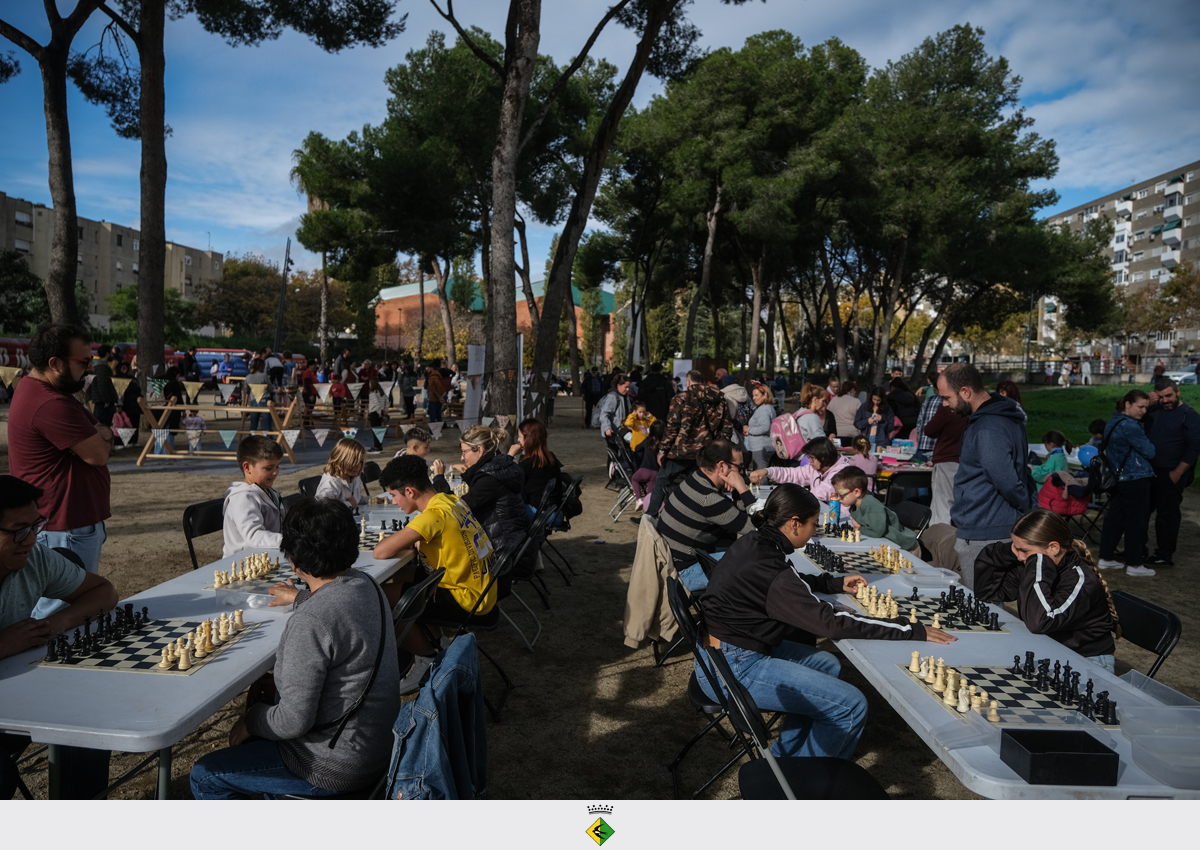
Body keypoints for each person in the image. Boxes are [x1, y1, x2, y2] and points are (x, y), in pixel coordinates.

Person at [695, 484, 953, 760]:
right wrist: (909, 629)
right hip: (732, 668)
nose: (816, 529)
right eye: (813, 523)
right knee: (851, 705)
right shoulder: (769, 564)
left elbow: (786, 585)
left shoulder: (756, 541)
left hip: (720, 653)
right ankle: (802, 783)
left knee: (827, 663)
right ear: (794, 523)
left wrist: (834, 582)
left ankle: (788, 757)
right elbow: (830, 623)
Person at [191, 499, 399, 799]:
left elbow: (292, 722)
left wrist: (251, 719)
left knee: (205, 775)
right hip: (378, 749)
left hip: (332, 767)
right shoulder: (367, 584)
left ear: (294, 563)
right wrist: (302, 598)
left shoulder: (310, 622)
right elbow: (336, 613)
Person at [0, 475, 119, 799]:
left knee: (88, 723)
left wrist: (58, 621)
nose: (30, 539)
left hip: (18, 697)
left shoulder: (34, 558)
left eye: (36, 525)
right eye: (18, 531)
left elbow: (104, 591)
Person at [7, 324, 112, 618]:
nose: (90, 367)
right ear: (55, 363)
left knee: (59, 609)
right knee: (59, 613)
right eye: (83, 362)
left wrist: (99, 433)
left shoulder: (48, 393)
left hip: (66, 522)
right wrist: (102, 434)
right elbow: (98, 453)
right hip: (64, 525)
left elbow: (98, 436)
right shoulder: (49, 402)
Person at [374, 456, 495, 690]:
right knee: (406, 577)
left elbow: (380, 552)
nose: (393, 501)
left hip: (467, 601)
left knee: (381, 598)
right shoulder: (450, 500)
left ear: (409, 491)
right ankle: (437, 644)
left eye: (394, 495)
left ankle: (426, 659)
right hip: (481, 591)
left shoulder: (432, 516)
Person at [975, 509, 1119, 671]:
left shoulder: (1080, 580)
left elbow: (1040, 622)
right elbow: (988, 592)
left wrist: (1038, 564)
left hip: (1087, 659)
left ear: (1053, 548)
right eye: (1016, 548)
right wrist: (1006, 551)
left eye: (1024, 551)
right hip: (1049, 649)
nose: (1019, 557)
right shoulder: (1029, 565)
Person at [937, 363, 1035, 590]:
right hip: (992, 523)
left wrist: (1025, 507)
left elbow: (1006, 480)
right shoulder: (1000, 416)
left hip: (985, 530)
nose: (944, 404)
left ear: (965, 392)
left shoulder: (988, 427)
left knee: (984, 610)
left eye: (947, 397)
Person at [657, 439, 754, 571]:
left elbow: (735, 518)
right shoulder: (709, 499)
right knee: (754, 565)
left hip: (673, 559)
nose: (742, 473)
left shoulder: (695, 478)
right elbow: (756, 528)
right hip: (685, 570)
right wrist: (743, 489)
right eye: (740, 467)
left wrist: (737, 489)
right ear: (722, 466)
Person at [448, 425, 531, 576]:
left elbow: (459, 511)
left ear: (479, 450)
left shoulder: (489, 478)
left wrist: (440, 482)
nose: (462, 457)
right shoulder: (499, 467)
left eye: (464, 452)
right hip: (513, 545)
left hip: (501, 554)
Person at [647, 371, 734, 515]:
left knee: (662, 479)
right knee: (701, 487)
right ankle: (699, 516)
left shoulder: (680, 398)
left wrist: (663, 450)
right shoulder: (719, 400)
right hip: (705, 452)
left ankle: (650, 514)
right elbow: (726, 429)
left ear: (688, 381)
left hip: (681, 451)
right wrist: (720, 453)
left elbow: (672, 427)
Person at [1097, 389, 1157, 577]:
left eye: (1146, 408)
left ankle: (1106, 557)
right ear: (1127, 404)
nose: (1144, 411)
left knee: (1115, 518)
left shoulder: (1112, 423)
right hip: (1135, 477)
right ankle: (1135, 564)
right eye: (1140, 407)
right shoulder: (1130, 426)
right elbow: (1150, 451)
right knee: (1136, 521)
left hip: (1118, 478)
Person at [1142, 378, 1200, 568]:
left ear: (1178, 392)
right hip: (1148, 470)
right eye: (1160, 397)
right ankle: (1138, 549)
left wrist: (1178, 472)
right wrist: (1147, 403)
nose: (1165, 400)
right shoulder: (1153, 409)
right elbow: (1129, 416)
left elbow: (1194, 447)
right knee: (1141, 510)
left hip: (1172, 471)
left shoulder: (1189, 415)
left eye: (1169, 396)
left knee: (1167, 514)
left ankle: (1164, 554)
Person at [222, 436, 286, 557]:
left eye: (277, 466)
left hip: (269, 556)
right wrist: (289, 542)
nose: (275, 472)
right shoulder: (242, 498)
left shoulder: (270, 492)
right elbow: (254, 535)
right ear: (247, 467)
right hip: (241, 565)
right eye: (268, 468)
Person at [830, 467, 918, 555]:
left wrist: (860, 529)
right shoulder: (855, 504)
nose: (838, 498)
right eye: (836, 494)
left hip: (906, 546)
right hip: (889, 543)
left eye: (841, 495)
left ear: (857, 492)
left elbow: (877, 532)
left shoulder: (871, 505)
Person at [750, 437, 853, 503]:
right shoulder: (815, 468)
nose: (809, 461)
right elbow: (793, 474)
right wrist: (768, 471)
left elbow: (821, 493)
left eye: (812, 457)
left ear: (823, 457)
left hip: (841, 519)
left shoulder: (843, 472)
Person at [923, 394, 968, 526]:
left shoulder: (948, 409)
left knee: (942, 505)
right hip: (967, 461)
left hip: (947, 459)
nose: (944, 403)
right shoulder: (974, 408)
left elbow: (929, 430)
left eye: (946, 398)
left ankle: (938, 542)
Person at [315, 439, 369, 511]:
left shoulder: (354, 476)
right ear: (341, 460)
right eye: (353, 462)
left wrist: (369, 500)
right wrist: (349, 504)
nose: (358, 466)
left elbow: (355, 499)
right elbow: (323, 506)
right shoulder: (331, 482)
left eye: (360, 461)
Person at [631, 420, 665, 512]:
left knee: (634, 479)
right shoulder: (663, 444)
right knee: (650, 493)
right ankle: (649, 508)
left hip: (644, 470)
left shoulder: (648, 441)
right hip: (655, 472)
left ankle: (639, 499)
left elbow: (637, 448)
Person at [744, 381, 776, 470]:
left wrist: (749, 430)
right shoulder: (768, 407)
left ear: (765, 395)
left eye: (756, 395)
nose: (754, 398)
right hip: (765, 446)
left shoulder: (764, 409)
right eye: (753, 395)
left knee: (760, 476)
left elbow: (765, 427)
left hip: (761, 447)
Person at [88, 344, 119, 427]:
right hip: (103, 403)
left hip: (102, 401)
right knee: (103, 425)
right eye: (111, 353)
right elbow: (102, 385)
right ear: (107, 354)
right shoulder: (101, 368)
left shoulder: (102, 366)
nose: (112, 355)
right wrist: (106, 400)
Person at [913, 387, 942, 461]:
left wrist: (920, 435)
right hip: (936, 446)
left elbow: (919, 421)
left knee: (920, 470)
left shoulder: (928, 400)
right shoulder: (947, 402)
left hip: (922, 443)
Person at [243, 358, 270, 436]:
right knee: (267, 424)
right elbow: (270, 388)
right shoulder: (264, 376)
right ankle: (269, 439)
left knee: (253, 424)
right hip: (264, 400)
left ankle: (252, 440)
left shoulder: (248, 377)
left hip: (253, 400)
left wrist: (246, 401)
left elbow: (247, 390)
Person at [365, 378, 389, 454]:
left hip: (375, 413)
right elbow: (387, 401)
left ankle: (376, 447)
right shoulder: (381, 392)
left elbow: (376, 403)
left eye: (370, 384)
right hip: (381, 412)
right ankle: (379, 446)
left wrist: (379, 412)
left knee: (375, 431)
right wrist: (385, 410)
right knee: (379, 430)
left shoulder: (372, 393)